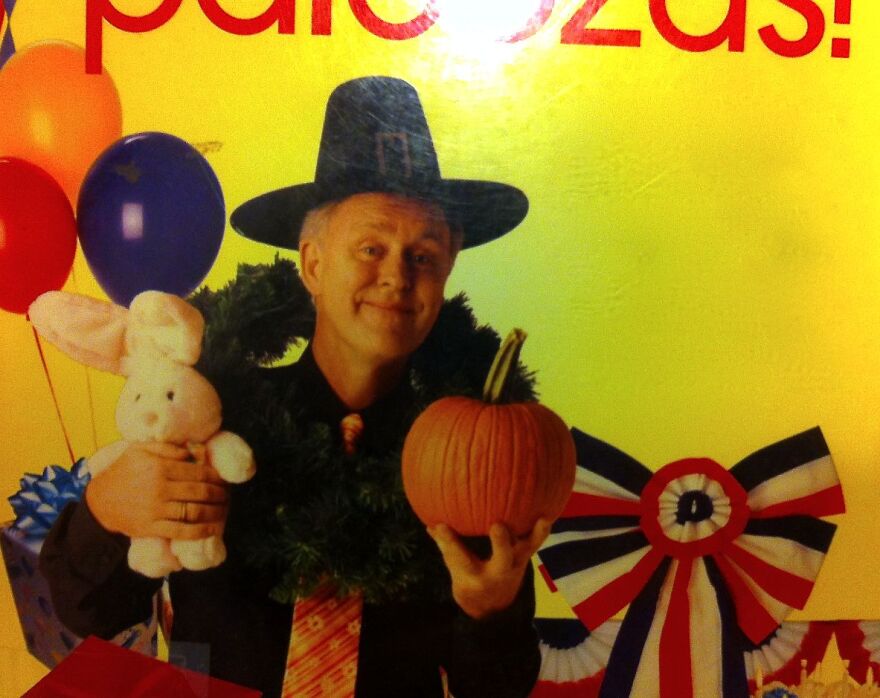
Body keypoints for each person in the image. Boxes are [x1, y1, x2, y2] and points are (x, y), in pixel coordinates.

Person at [40, 76, 548, 697]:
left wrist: (490, 613)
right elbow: (87, 612)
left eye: (423, 255)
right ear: (312, 263)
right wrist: (107, 512)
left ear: (448, 270)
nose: (397, 276)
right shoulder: (209, 415)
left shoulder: (478, 457)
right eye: (371, 247)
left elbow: (496, 688)